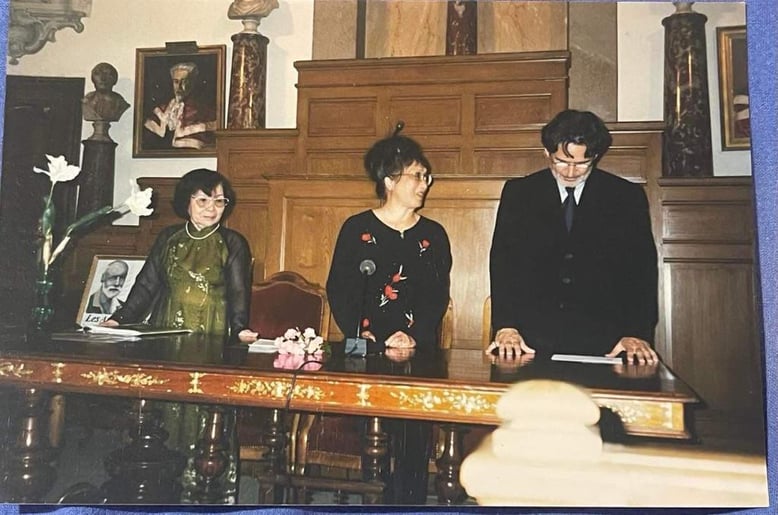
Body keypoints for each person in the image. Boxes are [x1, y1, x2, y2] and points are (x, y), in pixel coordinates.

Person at [103, 168, 258, 502]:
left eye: (219, 201)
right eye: (203, 200)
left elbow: (238, 292)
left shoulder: (233, 242)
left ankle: (205, 489)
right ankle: (160, 486)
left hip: (211, 333)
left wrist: (240, 328)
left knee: (205, 411)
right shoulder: (168, 238)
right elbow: (146, 285)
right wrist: (120, 319)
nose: (212, 208)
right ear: (186, 202)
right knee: (165, 406)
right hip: (167, 331)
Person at [326, 124, 452, 503]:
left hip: (416, 348)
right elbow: (340, 290)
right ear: (389, 180)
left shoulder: (434, 234)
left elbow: (437, 296)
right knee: (373, 439)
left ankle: (409, 503)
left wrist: (413, 336)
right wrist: (362, 334)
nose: (425, 183)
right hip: (366, 347)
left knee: (413, 438)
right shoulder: (356, 228)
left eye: (426, 176)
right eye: (417, 176)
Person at [488, 109, 659, 364]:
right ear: (546, 152)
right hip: (531, 341)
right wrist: (506, 325)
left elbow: (642, 271)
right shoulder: (519, 194)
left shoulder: (626, 197)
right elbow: (503, 263)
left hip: (606, 341)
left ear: (595, 156)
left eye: (581, 164)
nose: (570, 172)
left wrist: (636, 332)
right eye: (561, 161)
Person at [143, 62, 217, 150]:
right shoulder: (162, 110)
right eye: (176, 82)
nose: (179, 87)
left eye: (184, 82)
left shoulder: (202, 112)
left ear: (192, 83)